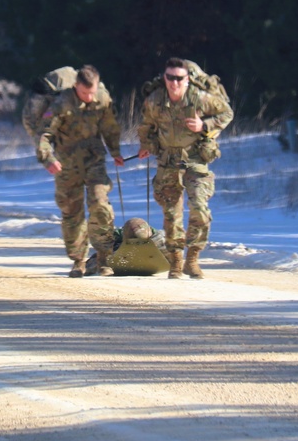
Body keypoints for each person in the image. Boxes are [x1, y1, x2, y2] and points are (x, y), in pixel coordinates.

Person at [137, 57, 234, 279]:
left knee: (200, 209)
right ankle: (176, 262)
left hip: (195, 159)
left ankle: (193, 258)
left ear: (187, 80)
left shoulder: (199, 99)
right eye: (170, 78)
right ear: (165, 78)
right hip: (168, 161)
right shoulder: (155, 101)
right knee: (172, 215)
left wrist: (205, 125)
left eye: (179, 78)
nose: (174, 83)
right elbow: (146, 127)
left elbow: (227, 113)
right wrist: (146, 145)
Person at [37, 65, 125, 278]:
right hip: (66, 163)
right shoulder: (61, 104)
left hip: (94, 160)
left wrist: (115, 151)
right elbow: (45, 134)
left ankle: (104, 258)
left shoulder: (102, 99)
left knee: (99, 203)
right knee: (71, 210)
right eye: (85, 93)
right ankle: (78, 260)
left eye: (92, 92)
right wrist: (47, 158)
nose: (89, 97)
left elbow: (110, 128)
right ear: (76, 86)